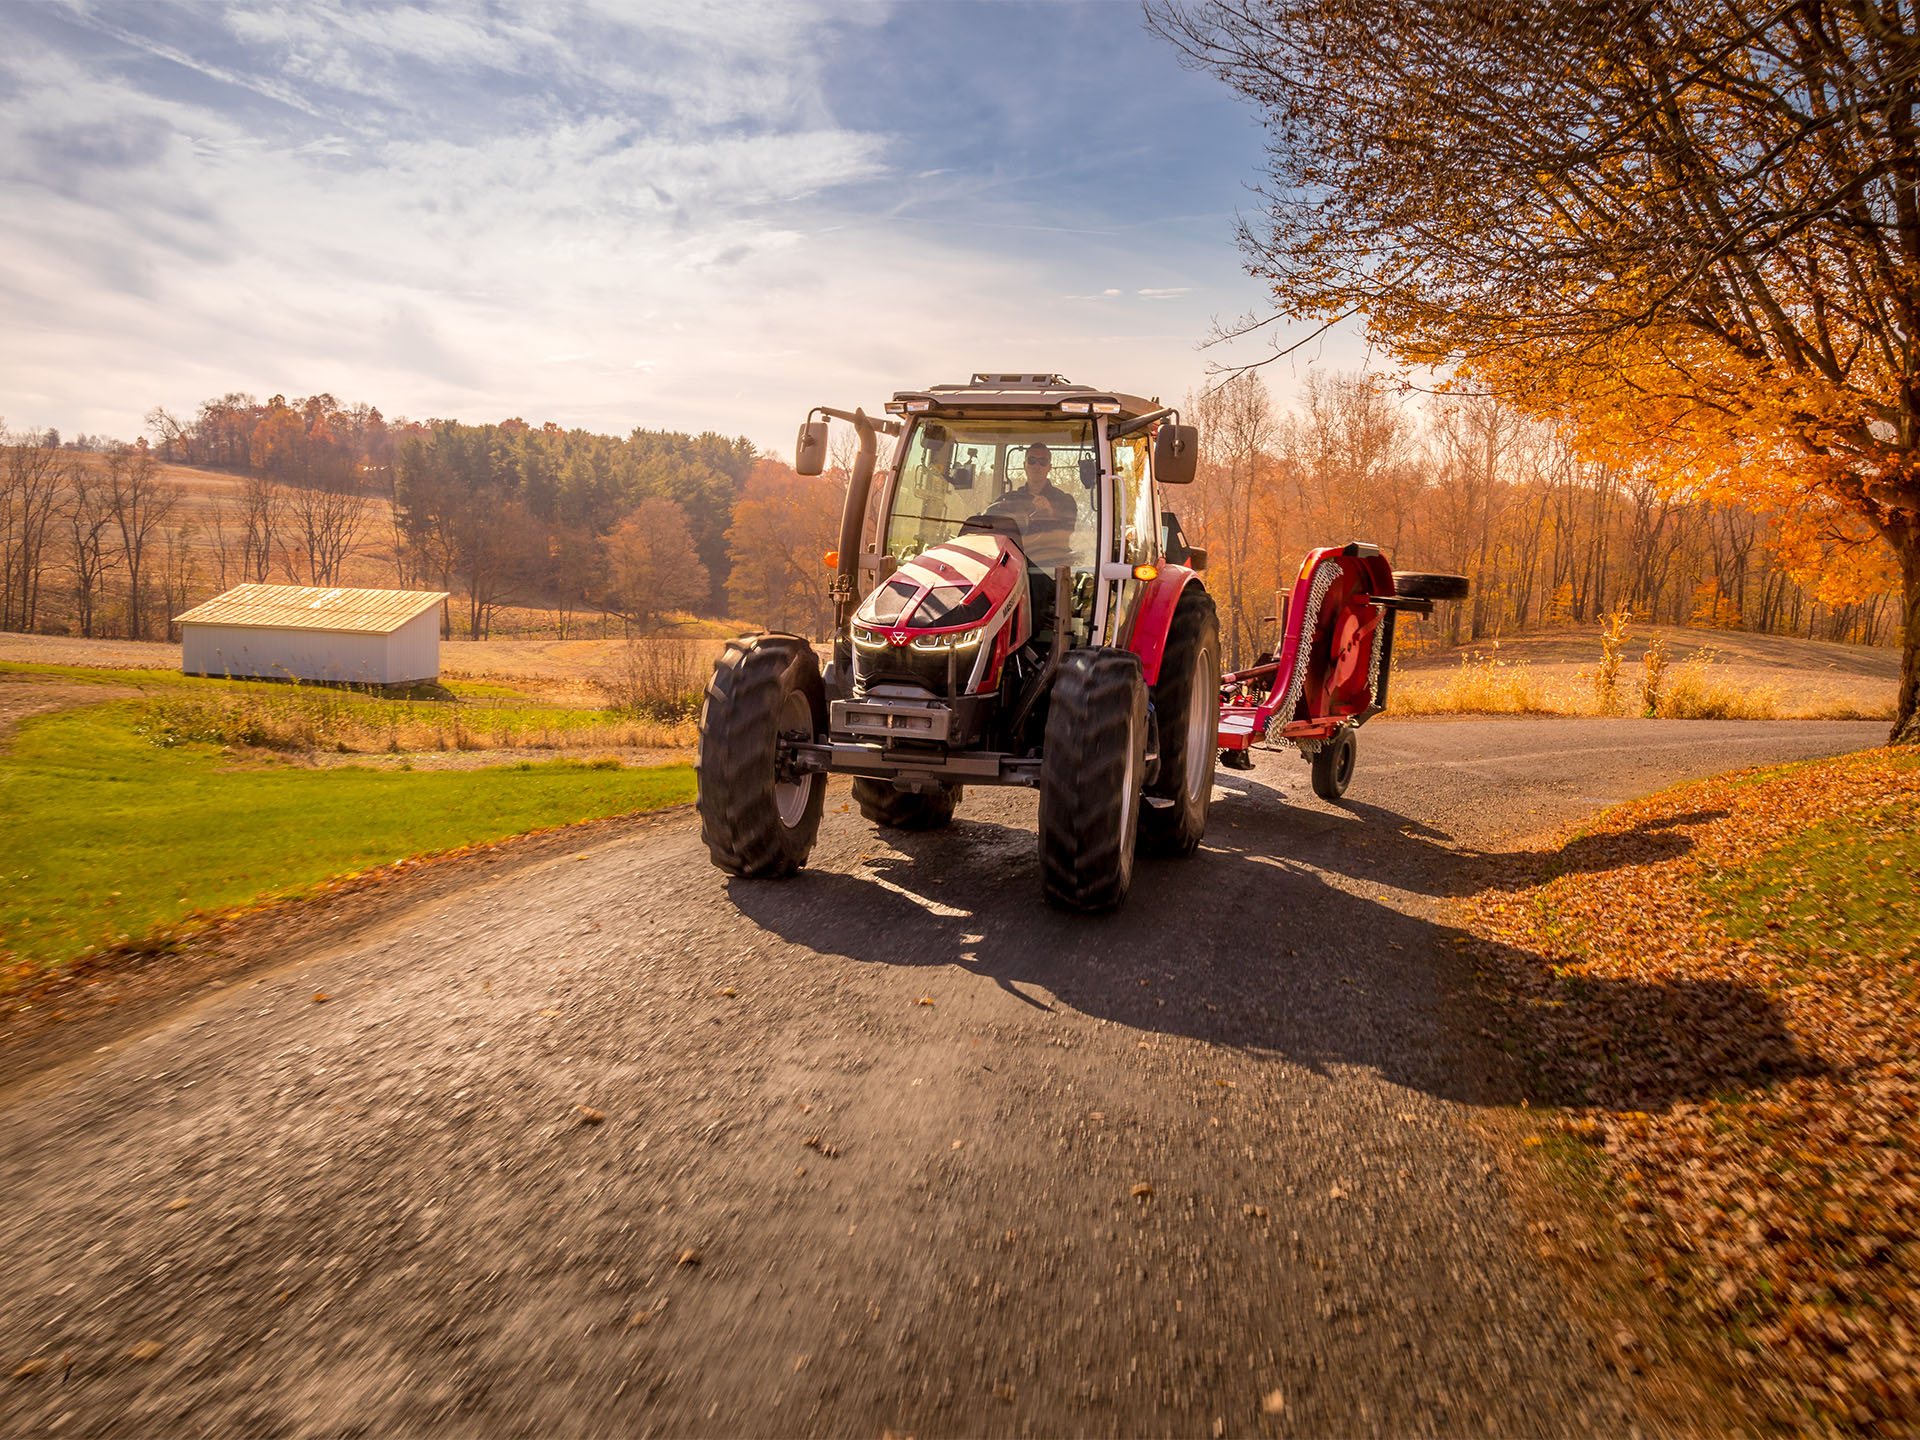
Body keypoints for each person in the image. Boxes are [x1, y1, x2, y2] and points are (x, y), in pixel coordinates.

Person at [985, 443, 1078, 568]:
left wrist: (1050, 512)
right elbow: (990, 529)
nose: (1036, 466)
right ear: (1025, 465)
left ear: (1049, 467)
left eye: (1042, 462)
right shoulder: (1007, 500)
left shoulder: (1065, 501)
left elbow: (1067, 531)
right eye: (1032, 460)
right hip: (1013, 566)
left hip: (1052, 571)